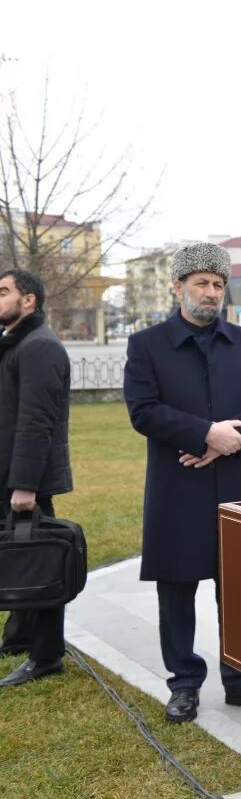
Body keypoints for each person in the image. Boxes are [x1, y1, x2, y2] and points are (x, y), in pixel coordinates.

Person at [123, 243, 241, 723]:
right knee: (177, 587)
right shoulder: (147, 345)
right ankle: (184, 684)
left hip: (237, 481)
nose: (211, 292)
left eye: (218, 284)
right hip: (178, 485)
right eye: (201, 283)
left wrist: (222, 440)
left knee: (237, 585)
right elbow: (143, 410)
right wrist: (200, 432)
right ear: (179, 288)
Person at [0, 270, 72, 687]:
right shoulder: (16, 343)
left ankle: (46, 655)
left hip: (25, 481)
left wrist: (24, 484)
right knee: (19, 559)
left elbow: (36, 421)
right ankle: (19, 636)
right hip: (8, 475)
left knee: (41, 564)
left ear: (28, 301)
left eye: (4, 292)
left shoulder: (39, 347)